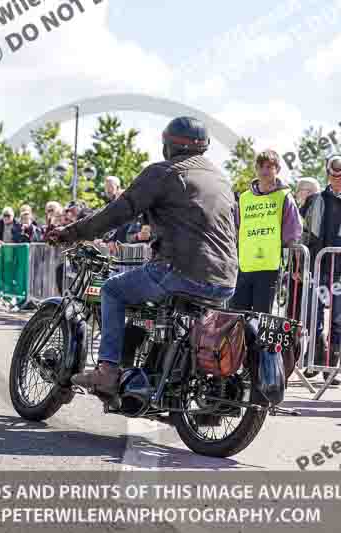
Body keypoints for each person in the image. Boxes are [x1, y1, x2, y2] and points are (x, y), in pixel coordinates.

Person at [48, 116, 238, 396]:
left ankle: (108, 372)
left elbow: (118, 212)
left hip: (180, 270)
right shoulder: (221, 179)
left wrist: (71, 233)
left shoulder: (164, 172)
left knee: (112, 290)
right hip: (225, 278)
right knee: (159, 311)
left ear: (168, 146)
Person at [302, 155, 341, 383]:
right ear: (327, 174)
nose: (338, 178)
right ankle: (314, 358)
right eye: (333, 174)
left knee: (338, 319)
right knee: (313, 317)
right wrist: (299, 263)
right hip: (318, 267)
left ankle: (331, 366)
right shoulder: (315, 200)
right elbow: (305, 233)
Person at [230, 149, 303, 314]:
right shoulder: (244, 198)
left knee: (262, 318)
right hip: (244, 266)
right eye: (261, 166)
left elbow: (293, 235)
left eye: (269, 167)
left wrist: (296, 266)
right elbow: (236, 230)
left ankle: (257, 342)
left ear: (277, 169)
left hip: (269, 267)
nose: (264, 171)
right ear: (256, 169)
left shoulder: (284, 197)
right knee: (237, 317)